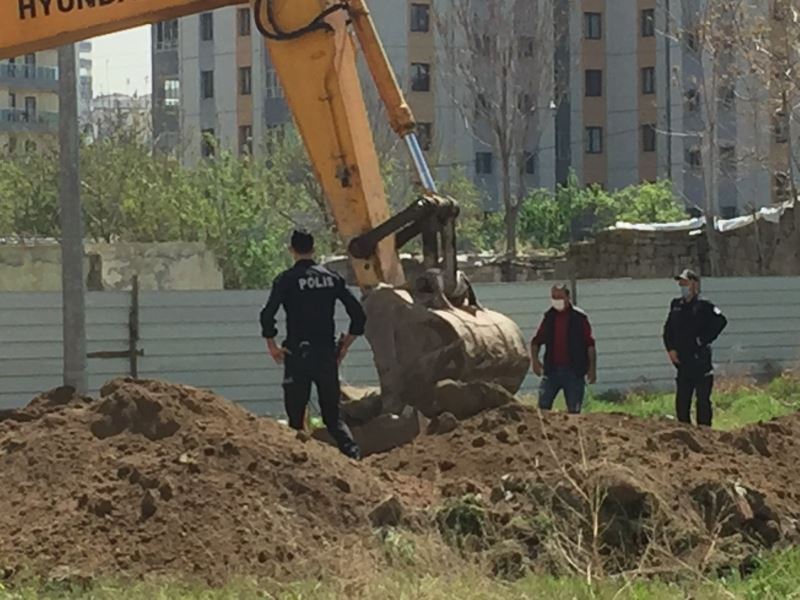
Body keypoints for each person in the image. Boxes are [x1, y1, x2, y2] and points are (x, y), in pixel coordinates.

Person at [260, 230, 365, 459]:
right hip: (326, 355)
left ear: (291, 250)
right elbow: (358, 314)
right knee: (333, 418)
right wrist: (346, 343)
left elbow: (267, 315)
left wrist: (272, 344)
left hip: (297, 355)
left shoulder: (286, 280)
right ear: (314, 249)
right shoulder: (331, 278)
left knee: (296, 420)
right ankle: (355, 459)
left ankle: (297, 467)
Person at [662, 268, 727, 427]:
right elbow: (668, 330)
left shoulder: (704, 305)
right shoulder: (676, 305)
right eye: (680, 283)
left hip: (700, 360)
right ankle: (684, 430)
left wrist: (702, 340)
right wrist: (671, 349)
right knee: (682, 399)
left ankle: (705, 432)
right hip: (682, 361)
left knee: (703, 400)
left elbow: (721, 321)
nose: (682, 285)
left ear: (694, 284)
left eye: (685, 282)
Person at [530, 284, 597, 414]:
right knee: (543, 408)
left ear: (567, 297)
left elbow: (590, 344)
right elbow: (536, 341)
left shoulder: (579, 318)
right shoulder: (549, 317)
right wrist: (535, 361)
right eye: (553, 297)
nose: (556, 300)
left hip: (574, 371)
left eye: (559, 297)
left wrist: (592, 369)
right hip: (552, 370)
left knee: (574, 410)